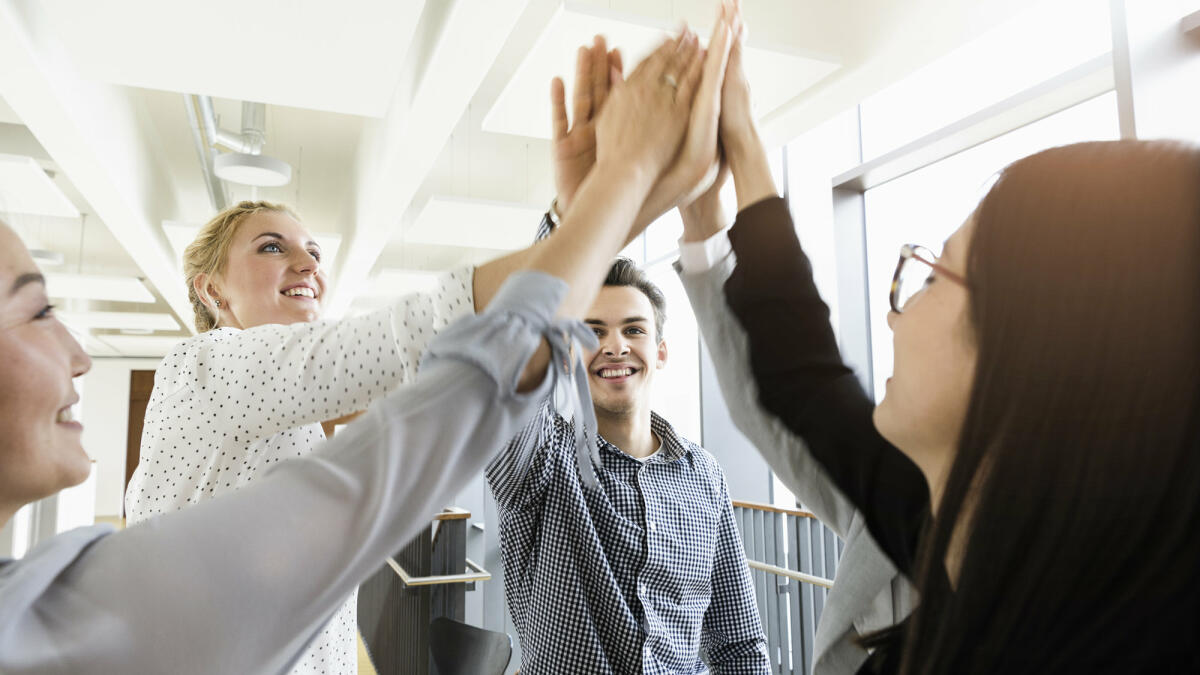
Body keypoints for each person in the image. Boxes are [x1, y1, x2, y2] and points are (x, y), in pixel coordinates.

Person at [0, 28, 716, 674]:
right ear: (211, 290)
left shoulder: (287, 415)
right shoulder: (204, 369)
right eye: (272, 247)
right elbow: (418, 354)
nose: (308, 264)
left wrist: (579, 224)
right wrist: (596, 210)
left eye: (315, 251)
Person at [708, 4, 1200, 673]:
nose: (893, 316)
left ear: (1025, 353)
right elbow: (806, 376)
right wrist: (737, 137)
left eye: (933, 276)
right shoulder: (969, 529)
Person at [670, 9, 915, 673]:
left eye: (931, 277)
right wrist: (702, 220)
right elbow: (776, 398)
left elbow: (804, 370)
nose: (897, 317)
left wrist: (744, 140)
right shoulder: (902, 492)